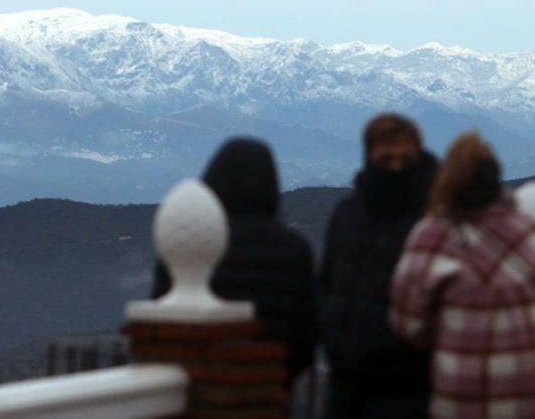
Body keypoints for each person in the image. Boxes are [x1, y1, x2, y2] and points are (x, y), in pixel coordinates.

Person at [390, 133, 535, 419]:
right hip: (532, 399)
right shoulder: (530, 232)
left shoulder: (430, 237)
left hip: (459, 401)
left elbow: (408, 324)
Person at [152, 137, 318, 381]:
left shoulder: (194, 238)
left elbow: (160, 310)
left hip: (196, 385)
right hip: (268, 389)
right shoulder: (294, 249)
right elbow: (307, 333)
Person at [319, 113, 437, 419]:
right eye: (387, 159)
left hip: (409, 389)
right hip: (345, 383)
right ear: (369, 156)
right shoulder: (347, 215)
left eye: (404, 159)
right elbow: (327, 282)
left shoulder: (433, 219)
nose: (396, 167)